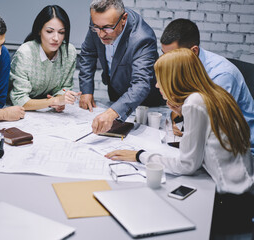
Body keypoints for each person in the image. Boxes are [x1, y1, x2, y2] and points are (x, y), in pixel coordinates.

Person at [105, 48, 254, 234]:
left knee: (151, 211)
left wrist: (139, 155)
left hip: (228, 202)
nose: (157, 85)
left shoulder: (195, 103)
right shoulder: (214, 93)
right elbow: (207, 140)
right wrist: (181, 114)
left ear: (175, 78)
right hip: (244, 195)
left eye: (160, 78)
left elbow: (187, 164)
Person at [160, 18, 254, 155]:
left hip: (241, 150)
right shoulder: (182, 67)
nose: (166, 62)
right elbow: (182, 106)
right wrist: (178, 119)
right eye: (164, 54)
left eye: (172, 56)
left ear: (194, 51)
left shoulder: (222, 75)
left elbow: (213, 127)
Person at [78, 0, 163, 134]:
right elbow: (88, 53)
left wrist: (112, 112)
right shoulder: (99, 21)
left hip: (146, 100)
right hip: (115, 89)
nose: (100, 34)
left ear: (124, 19)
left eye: (107, 28)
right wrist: (86, 90)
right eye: (96, 27)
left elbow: (141, 84)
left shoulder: (142, 38)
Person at [8, 5, 80, 112]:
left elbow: (65, 87)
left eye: (61, 32)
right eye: (49, 31)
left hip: (47, 113)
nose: (56, 38)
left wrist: (61, 99)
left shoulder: (69, 52)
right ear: (39, 31)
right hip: (20, 111)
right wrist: (54, 101)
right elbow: (19, 100)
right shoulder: (25, 53)